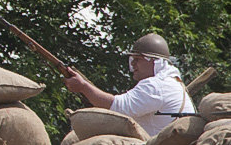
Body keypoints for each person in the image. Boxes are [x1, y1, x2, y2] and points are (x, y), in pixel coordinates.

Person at [63, 32, 195, 136]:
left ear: (154, 62)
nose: (133, 65)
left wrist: (83, 87)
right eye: (132, 59)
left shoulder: (156, 86)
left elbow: (117, 107)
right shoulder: (170, 82)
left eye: (137, 60)